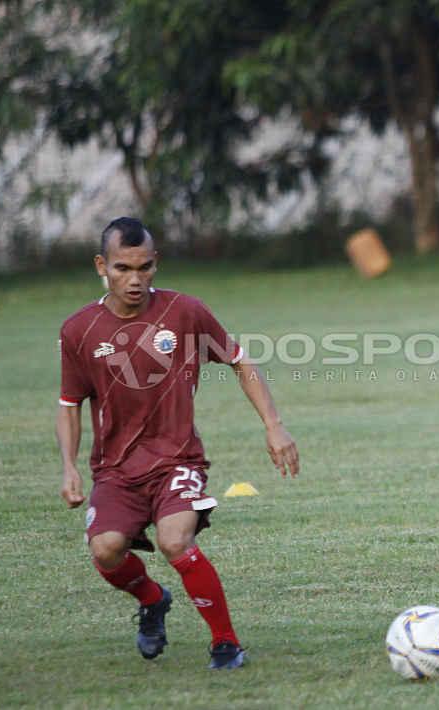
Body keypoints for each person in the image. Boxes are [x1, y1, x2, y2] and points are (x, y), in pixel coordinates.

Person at [56, 217, 299, 670]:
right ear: (100, 266)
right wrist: (69, 467)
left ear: (156, 264)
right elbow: (69, 403)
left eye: (145, 267)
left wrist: (274, 424)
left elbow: (241, 363)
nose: (135, 279)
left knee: (174, 540)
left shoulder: (185, 312)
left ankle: (226, 643)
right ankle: (152, 599)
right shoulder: (79, 331)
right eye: (123, 268)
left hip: (177, 460)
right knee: (105, 550)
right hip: (115, 471)